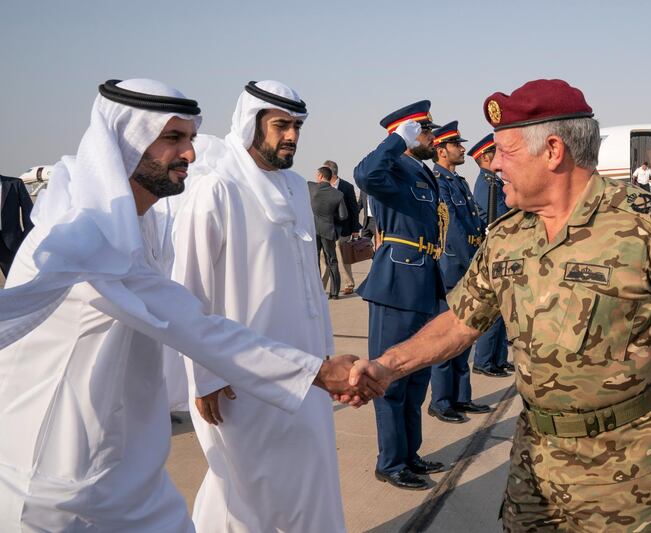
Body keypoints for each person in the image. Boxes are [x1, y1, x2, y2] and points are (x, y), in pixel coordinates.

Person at [350, 79, 651, 528]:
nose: (494, 164)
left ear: (553, 150)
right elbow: (460, 322)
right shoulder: (507, 235)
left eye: (505, 151)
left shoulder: (647, 225)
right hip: (534, 458)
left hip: (626, 463)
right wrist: (387, 366)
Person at [0, 79, 375, 532]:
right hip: (59, 485)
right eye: (172, 139)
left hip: (131, 471)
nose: (191, 154)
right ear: (125, 141)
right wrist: (315, 372)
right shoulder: (85, 236)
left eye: (191, 138)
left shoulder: (141, 226)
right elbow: (190, 320)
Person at [171, 80, 354, 532]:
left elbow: (309, 283)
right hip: (237, 378)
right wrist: (204, 375)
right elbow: (188, 290)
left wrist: (324, 356)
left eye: (296, 126)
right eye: (280, 125)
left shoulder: (295, 186)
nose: (291, 136)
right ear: (251, 124)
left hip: (308, 369)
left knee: (310, 479)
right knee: (244, 491)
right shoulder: (215, 188)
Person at [354, 100, 448, 490]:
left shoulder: (420, 171)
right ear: (408, 132)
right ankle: (390, 462)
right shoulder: (392, 165)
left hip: (424, 280)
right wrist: (394, 141)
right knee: (390, 378)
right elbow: (366, 175)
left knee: (416, 374)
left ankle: (410, 454)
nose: (431, 136)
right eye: (424, 130)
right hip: (397, 282)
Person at [428, 121, 490, 423]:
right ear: (441, 150)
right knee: (445, 338)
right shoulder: (438, 181)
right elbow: (449, 229)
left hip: (466, 265)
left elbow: (474, 221)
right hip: (451, 267)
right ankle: (440, 401)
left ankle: (461, 397)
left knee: (464, 337)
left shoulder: (460, 182)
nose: (462, 149)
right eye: (456, 145)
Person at [469, 133, 513, 377]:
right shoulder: (486, 183)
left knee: (502, 312)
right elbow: (496, 219)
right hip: (493, 250)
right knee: (492, 314)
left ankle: (498, 359)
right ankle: (484, 362)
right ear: (486, 156)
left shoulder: (493, 182)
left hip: (501, 251)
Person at [321, 159, 361, 295]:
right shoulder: (321, 187)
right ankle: (321, 286)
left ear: (331, 172)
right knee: (324, 257)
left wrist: (355, 229)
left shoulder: (346, 187)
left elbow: (354, 209)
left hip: (343, 229)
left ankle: (349, 284)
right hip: (326, 229)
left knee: (342, 256)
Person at [310, 165, 348, 299]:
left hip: (313, 229)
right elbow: (343, 216)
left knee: (314, 261)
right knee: (332, 261)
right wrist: (331, 217)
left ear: (320, 176)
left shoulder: (310, 187)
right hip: (328, 229)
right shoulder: (338, 194)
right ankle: (334, 293)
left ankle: (317, 291)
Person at [0, 173, 34, 276]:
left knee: (15, 281)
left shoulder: (15, 183)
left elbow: (29, 213)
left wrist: (26, 237)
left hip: (11, 243)